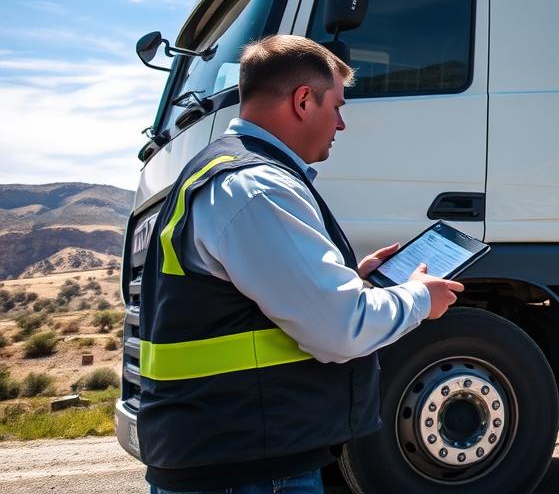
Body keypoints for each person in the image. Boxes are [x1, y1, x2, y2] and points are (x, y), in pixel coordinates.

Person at [137, 34, 463, 494]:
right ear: (304, 101)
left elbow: (249, 303)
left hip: (227, 450)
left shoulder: (223, 171)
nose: (342, 124)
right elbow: (341, 330)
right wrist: (417, 300)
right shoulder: (259, 188)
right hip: (247, 468)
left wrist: (352, 281)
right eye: (338, 106)